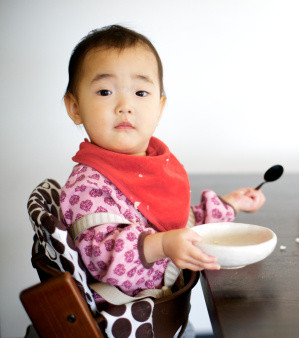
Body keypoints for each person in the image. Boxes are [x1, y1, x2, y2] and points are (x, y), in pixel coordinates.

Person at [60, 25, 265, 298]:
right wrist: (162, 244)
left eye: (141, 93)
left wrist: (229, 204)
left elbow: (175, 224)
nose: (125, 105)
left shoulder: (153, 163)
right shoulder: (88, 184)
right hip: (128, 321)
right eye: (105, 92)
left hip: (170, 312)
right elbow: (101, 256)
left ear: (160, 107)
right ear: (75, 108)